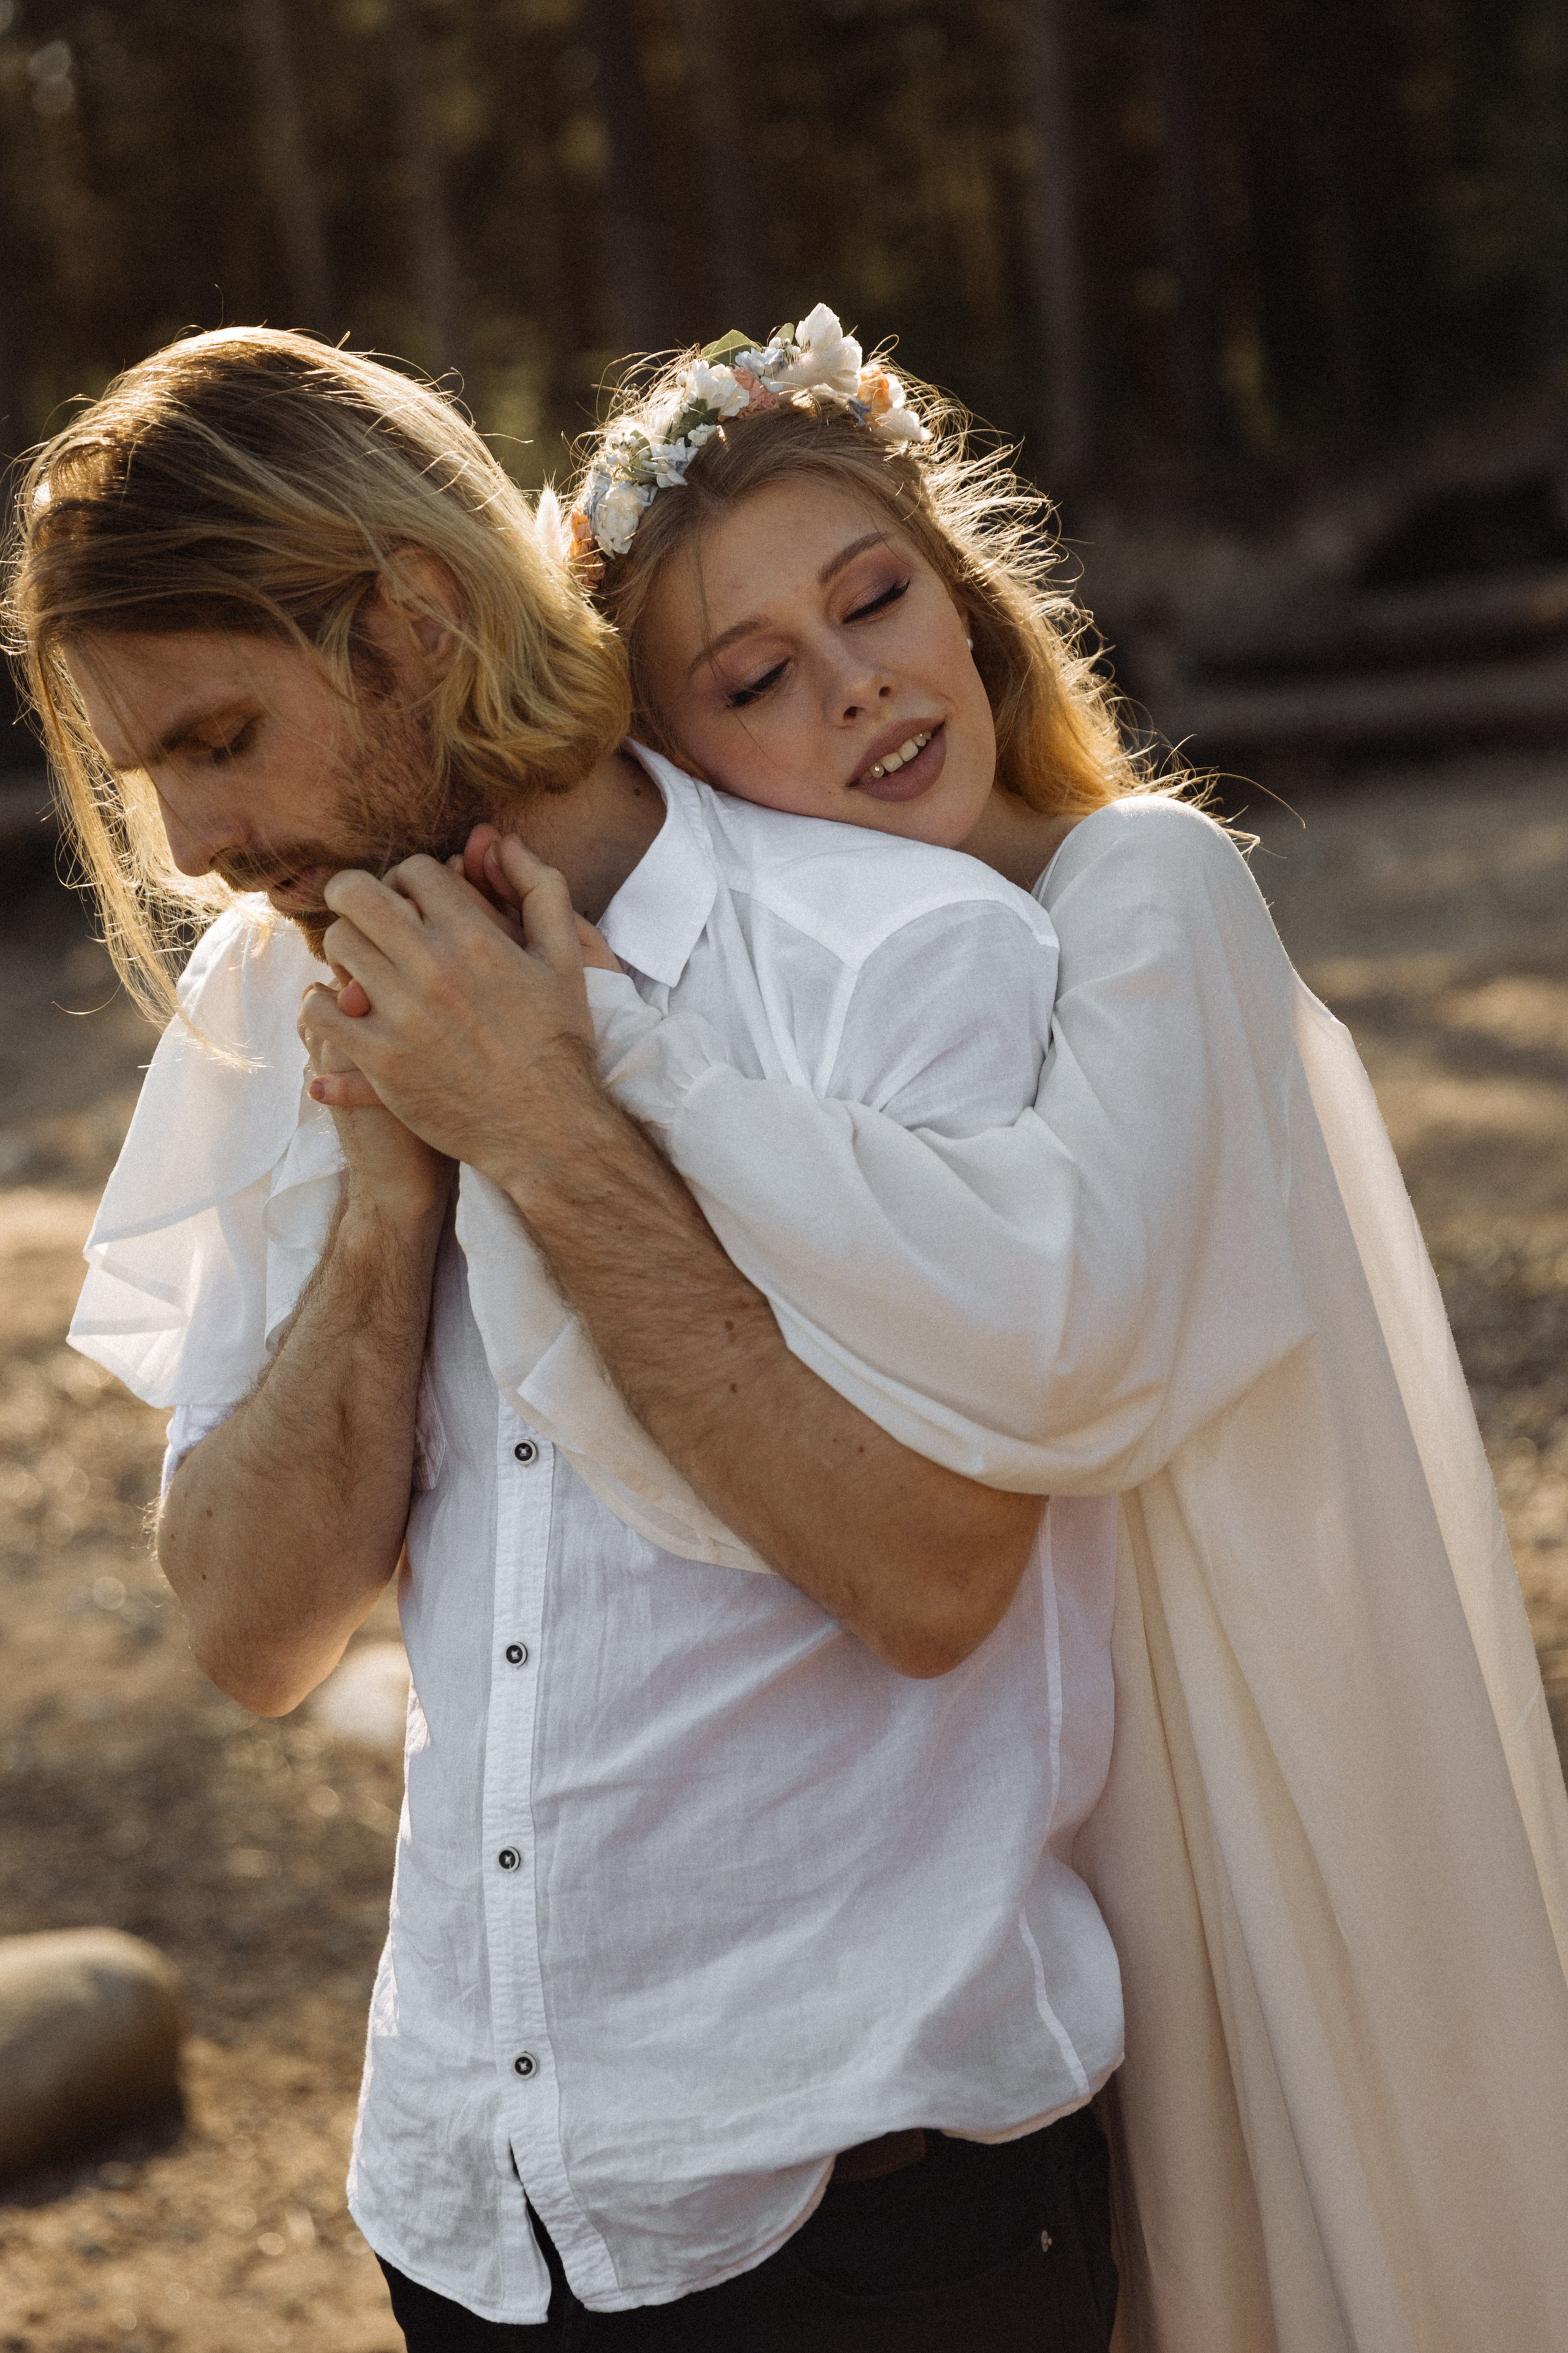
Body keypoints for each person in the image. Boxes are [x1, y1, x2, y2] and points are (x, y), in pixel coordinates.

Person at [317, 308, 1568, 2347]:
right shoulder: (818, 1002)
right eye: (757, 680)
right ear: (687, 758)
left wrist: (600, 1064)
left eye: (876, 598)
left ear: (963, 596)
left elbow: (1057, 1324)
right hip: (1045, 1798)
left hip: (1239, 1727)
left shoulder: (1144, 885)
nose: (860, 684)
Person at [3, 327, 1126, 2349]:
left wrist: (545, 1127)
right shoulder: (283, 1004)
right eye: (145, 765)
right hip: (467, 2209)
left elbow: (938, 1573)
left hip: (873, 2216)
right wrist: (395, 1189)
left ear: (412, 624)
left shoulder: (903, 960)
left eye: (217, 736)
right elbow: (252, 1631)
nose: (183, 846)